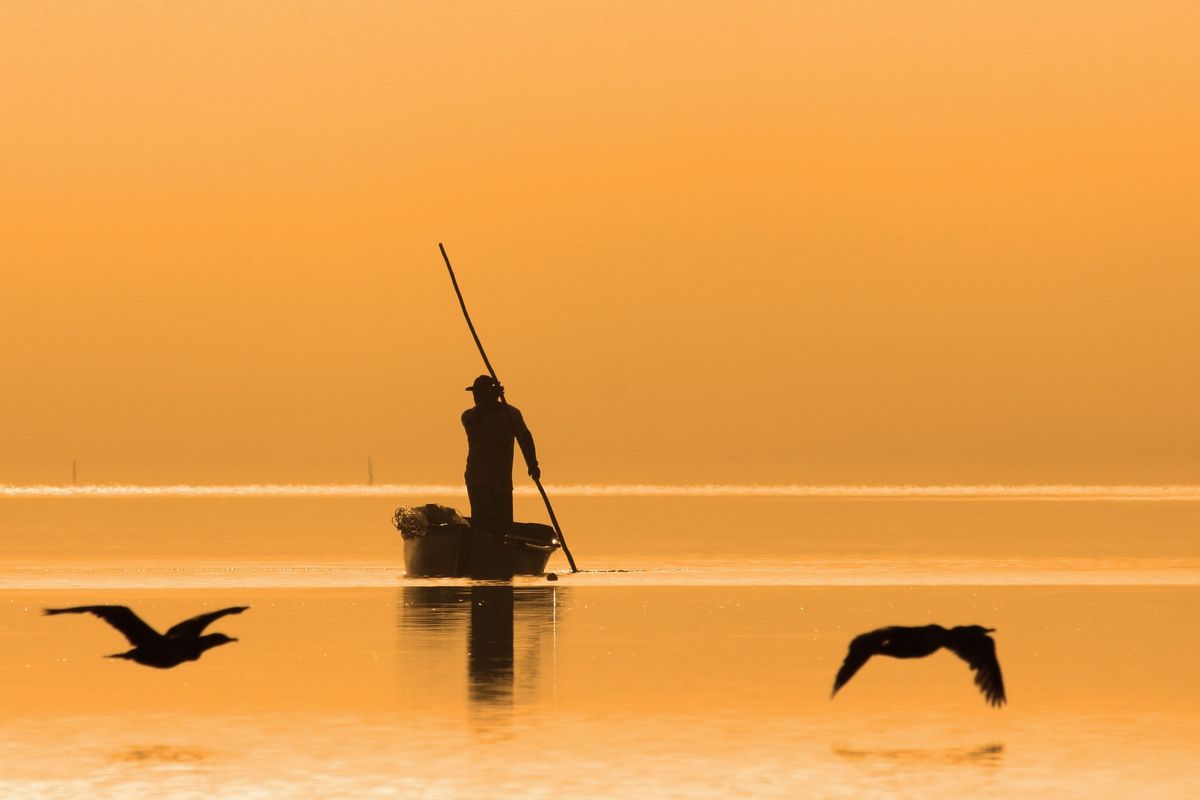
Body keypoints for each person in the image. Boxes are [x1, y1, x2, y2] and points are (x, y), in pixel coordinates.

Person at [461, 375, 539, 530]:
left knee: (503, 526)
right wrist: (488, 399)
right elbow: (472, 422)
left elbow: (525, 438)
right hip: (478, 479)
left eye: (478, 393)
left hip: (501, 481)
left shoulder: (511, 414)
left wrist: (532, 464)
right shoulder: (469, 415)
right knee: (482, 525)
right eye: (475, 393)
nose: (475, 397)